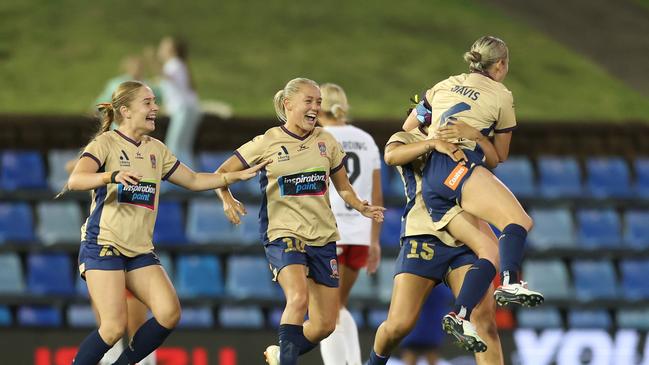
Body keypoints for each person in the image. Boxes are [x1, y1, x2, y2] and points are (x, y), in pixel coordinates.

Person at [66, 80, 267, 365]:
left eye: (154, 102)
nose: (155, 108)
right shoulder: (106, 143)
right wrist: (111, 176)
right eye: (147, 102)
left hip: (138, 250)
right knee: (112, 329)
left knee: (168, 313)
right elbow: (76, 180)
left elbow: (194, 180)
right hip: (104, 245)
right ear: (125, 110)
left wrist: (231, 178)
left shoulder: (156, 150)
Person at [213, 78, 385, 365]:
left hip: (323, 236)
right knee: (297, 298)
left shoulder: (326, 141)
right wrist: (226, 197)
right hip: (284, 233)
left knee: (325, 324)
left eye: (318, 102)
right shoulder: (267, 142)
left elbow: (343, 187)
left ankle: (282, 353)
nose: (315, 107)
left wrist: (360, 206)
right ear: (287, 104)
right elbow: (222, 172)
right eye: (309, 101)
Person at [402, 35, 543, 339]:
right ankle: (510, 282)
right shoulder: (501, 95)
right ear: (502, 64)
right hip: (459, 164)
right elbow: (500, 156)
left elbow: (408, 128)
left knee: (489, 252)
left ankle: (460, 314)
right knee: (519, 221)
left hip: (433, 178)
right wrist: (475, 135)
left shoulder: (443, 84)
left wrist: (436, 136)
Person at [366, 117, 504, 364]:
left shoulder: (464, 139)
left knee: (484, 321)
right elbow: (391, 156)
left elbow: (494, 160)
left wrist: (479, 136)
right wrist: (433, 143)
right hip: (423, 237)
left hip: (464, 241)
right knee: (399, 324)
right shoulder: (407, 137)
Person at [316, 83, 383, 365]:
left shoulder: (319, 137)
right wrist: (375, 240)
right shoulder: (366, 139)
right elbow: (377, 194)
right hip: (360, 232)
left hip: (331, 232)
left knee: (324, 312)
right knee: (338, 306)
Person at [157, 36, 202, 168]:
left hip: (184, 110)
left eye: (163, 47)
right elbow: (174, 90)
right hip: (188, 109)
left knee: (175, 147)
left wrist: (152, 61)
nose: (160, 50)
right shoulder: (178, 65)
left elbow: (166, 77)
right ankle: (197, 183)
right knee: (182, 147)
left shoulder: (174, 64)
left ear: (171, 50)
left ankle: (192, 183)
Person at [398, 285, 452, 365]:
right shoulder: (442, 285)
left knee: (412, 355)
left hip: (415, 327)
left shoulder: (415, 281)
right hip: (429, 329)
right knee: (426, 354)